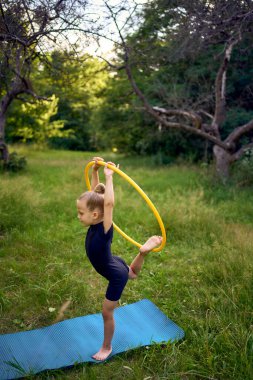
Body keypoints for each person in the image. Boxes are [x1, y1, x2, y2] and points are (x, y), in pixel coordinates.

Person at [76, 157, 163, 361]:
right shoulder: (96, 219)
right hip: (114, 262)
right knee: (130, 273)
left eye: (81, 213)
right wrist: (95, 171)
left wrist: (109, 177)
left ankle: (106, 347)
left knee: (107, 312)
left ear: (95, 215)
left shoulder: (105, 229)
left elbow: (108, 203)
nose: (78, 216)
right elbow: (96, 196)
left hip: (114, 274)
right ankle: (142, 252)